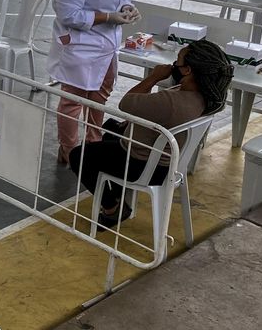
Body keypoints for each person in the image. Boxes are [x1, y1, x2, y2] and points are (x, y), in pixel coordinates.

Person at [69, 40, 233, 227]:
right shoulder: (208, 99)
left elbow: (127, 103)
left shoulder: (171, 100)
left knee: (78, 156)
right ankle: (117, 191)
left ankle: (113, 209)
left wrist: (154, 77)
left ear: (187, 70)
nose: (173, 66)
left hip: (145, 166)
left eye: (177, 61)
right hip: (170, 163)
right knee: (112, 129)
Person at [47, 0, 140, 164]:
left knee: (100, 94)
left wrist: (126, 8)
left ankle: (94, 141)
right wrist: (107, 17)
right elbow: (70, 16)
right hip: (82, 48)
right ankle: (69, 151)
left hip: (107, 45)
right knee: (72, 101)